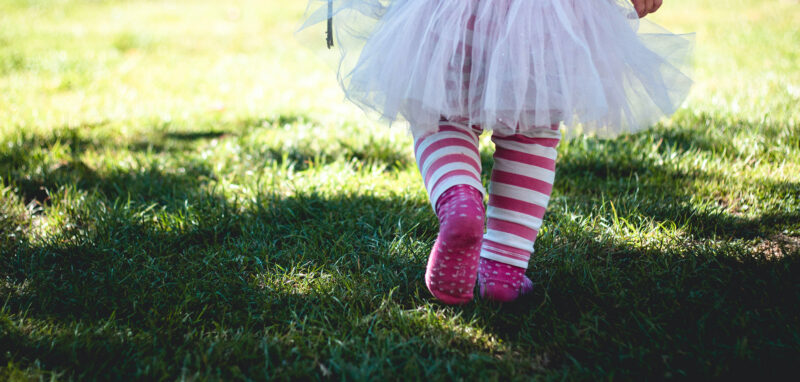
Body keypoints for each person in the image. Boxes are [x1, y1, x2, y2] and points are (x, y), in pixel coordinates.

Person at [299, 0, 692, 304]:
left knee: (442, 113)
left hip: (453, 13)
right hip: (549, 17)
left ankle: (459, 200)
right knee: (532, 129)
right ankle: (505, 267)